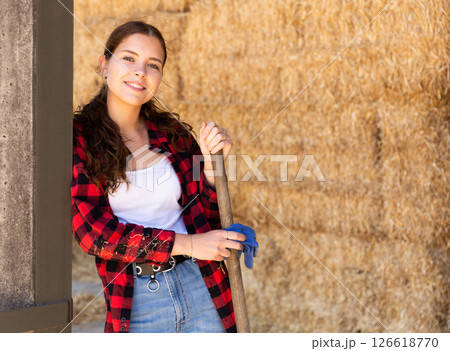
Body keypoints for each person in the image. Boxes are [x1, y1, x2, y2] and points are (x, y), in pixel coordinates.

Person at [71, 21, 251, 333]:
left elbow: (207, 216)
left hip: (203, 287)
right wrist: (190, 244)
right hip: (137, 298)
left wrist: (210, 164)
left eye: (152, 65)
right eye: (128, 58)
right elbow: (94, 234)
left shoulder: (172, 134)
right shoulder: (78, 138)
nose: (140, 71)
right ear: (104, 65)